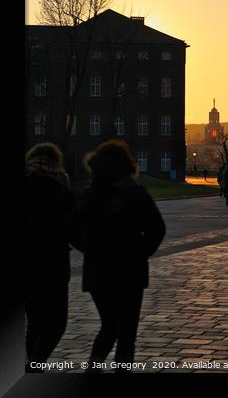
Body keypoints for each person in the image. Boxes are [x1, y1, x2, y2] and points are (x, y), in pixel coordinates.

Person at [75, 140, 166, 372]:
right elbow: (157, 228)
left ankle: (92, 370)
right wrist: (139, 252)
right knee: (126, 334)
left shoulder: (89, 195)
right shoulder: (135, 193)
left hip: (98, 271)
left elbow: (73, 230)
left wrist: (91, 250)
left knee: (108, 327)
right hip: (130, 271)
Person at [25, 143, 77, 372]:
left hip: (26, 265)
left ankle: (30, 367)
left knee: (35, 323)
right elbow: (74, 230)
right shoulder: (60, 188)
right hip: (53, 264)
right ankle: (34, 366)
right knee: (56, 324)